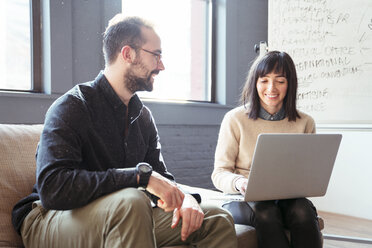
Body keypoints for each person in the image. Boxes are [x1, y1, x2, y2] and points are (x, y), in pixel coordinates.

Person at [12, 15, 238, 248]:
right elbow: (53, 189)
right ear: (128, 54)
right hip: (49, 217)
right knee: (132, 200)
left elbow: (162, 178)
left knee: (215, 217)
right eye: (156, 55)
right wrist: (139, 177)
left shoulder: (143, 117)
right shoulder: (72, 106)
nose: (161, 65)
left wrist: (187, 199)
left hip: (119, 213)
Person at [211, 51, 322, 248]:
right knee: (266, 211)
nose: (271, 88)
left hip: (287, 197)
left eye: (280, 81)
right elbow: (219, 173)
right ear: (255, 83)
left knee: (303, 210)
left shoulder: (305, 122)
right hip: (242, 198)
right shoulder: (235, 119)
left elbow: (307, 173)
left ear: (290, 84)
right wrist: (240, 183)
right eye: (264, 80)